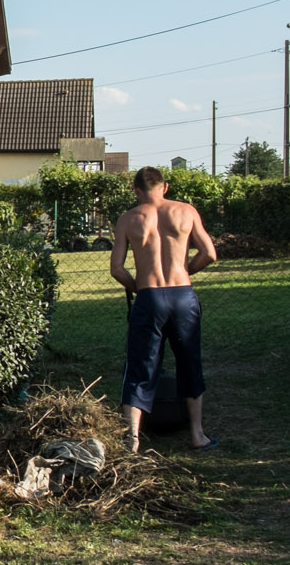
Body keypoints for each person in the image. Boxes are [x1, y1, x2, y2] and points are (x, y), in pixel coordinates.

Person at [110, 166, 218, 453]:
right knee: (189, 362)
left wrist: (139, 288)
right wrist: (185, 271)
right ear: (165, 187)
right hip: (183, 296)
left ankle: (131, 441)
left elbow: (117, 269)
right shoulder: (186, 211)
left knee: (140, 368)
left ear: (136, 190)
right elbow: (209, 254)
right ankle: (197, 435)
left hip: (149, 297)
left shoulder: (128, 219)